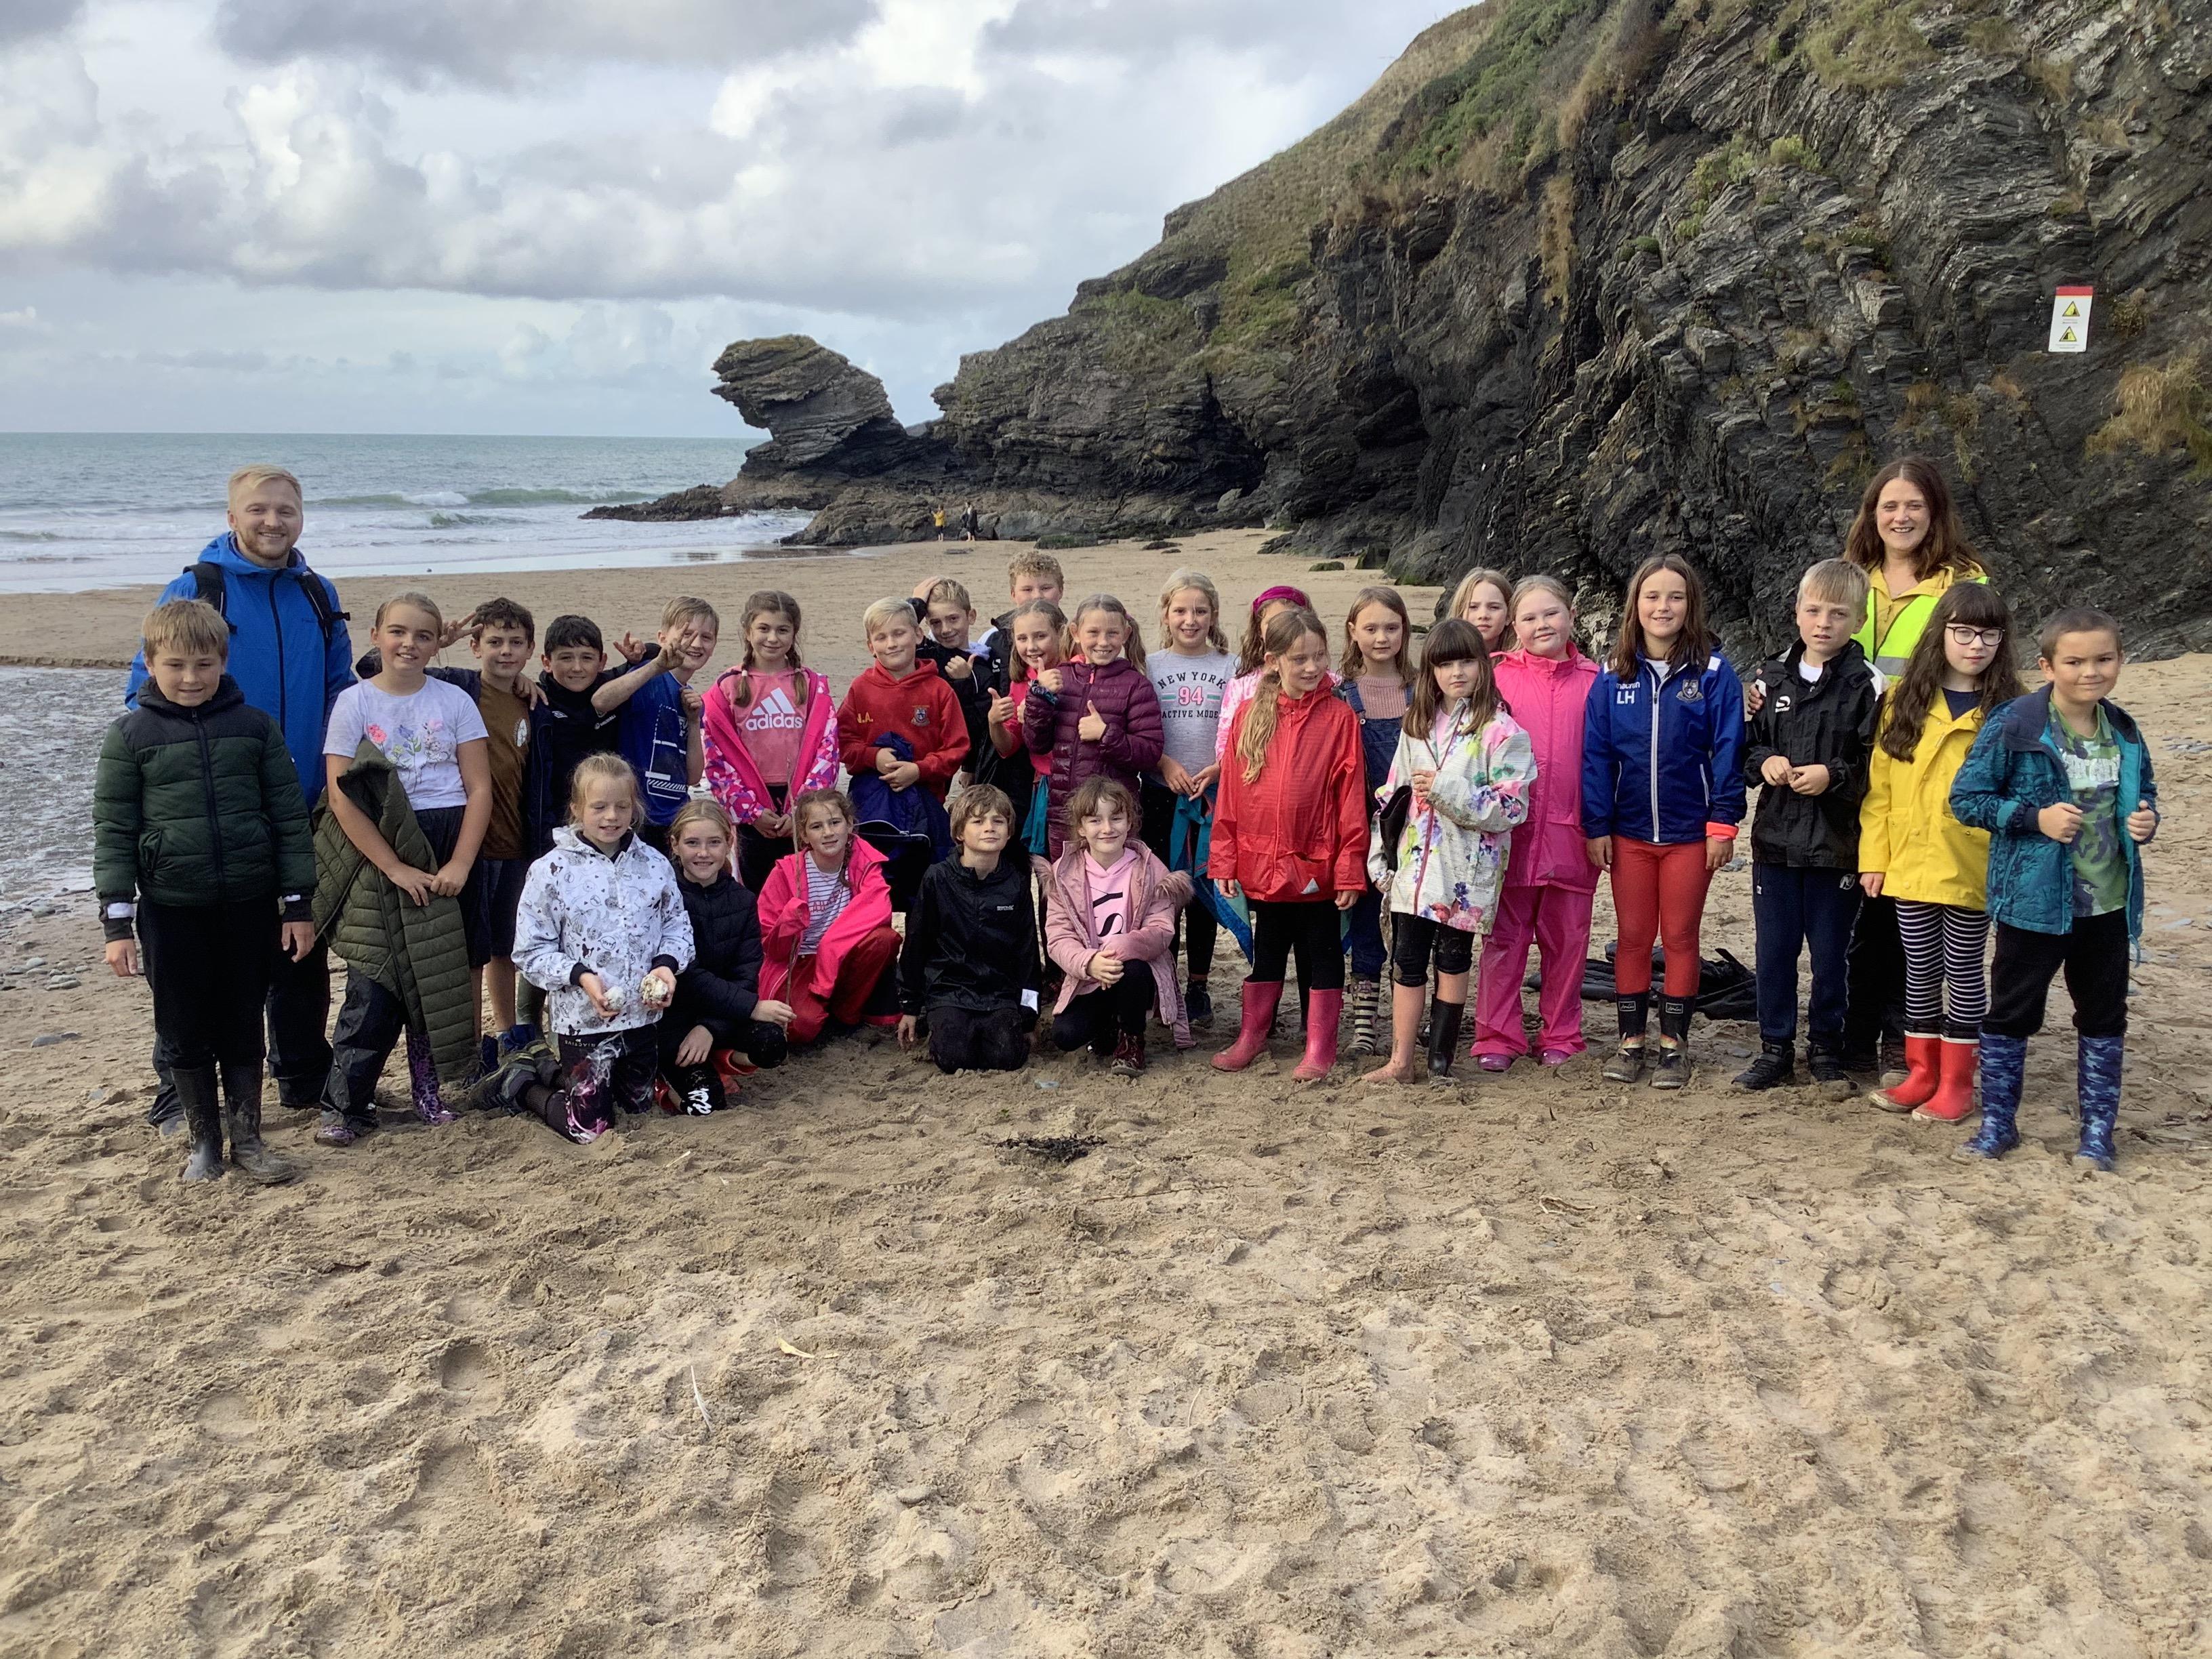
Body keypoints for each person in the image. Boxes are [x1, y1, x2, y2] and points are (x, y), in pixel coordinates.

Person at [124, 464, 352, 1125]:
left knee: (300, 946)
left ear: (301, 518)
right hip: (214, 812)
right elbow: (143, 693)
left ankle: (304, 1074)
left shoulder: (316, 593)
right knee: (199, 962)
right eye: (258, 510)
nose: (272, 521)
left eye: (285, 510)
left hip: (301, 803)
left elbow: (340, 693)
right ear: (232, 518)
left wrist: (336, 781)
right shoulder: (199, 588)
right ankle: (177, 1090)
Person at [97, 599, 314, 1184]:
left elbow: (289, 819)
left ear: (223, 661)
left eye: (204, 664)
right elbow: (113, 829)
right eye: (175, 665)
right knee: (182, 1026)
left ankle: (249, 1137)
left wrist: (297, 903)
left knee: (243, 1022)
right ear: (149, 665)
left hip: (249, 903)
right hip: (171, 909)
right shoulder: (130, 735)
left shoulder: (255, 727)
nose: (190, 678)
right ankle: (204, 1142)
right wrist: (117, 924)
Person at [1951, 607, 2158, 1170]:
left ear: (2120, 660)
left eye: (2103, 659)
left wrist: (2146, 820)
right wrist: (2033, 818)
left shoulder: (2124, 729)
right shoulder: (2016, 724)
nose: (2090, 672)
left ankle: (2097, 1133)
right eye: (2074, 662)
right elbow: (1967, 799)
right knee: (2012, 1013)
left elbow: (2145, 794)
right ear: (2047, 666)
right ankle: (1998, 1124)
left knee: (2104, 1017)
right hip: (2033, 903)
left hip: (2108, 905)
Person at [315, 592, 491, 1141]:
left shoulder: (455, 701)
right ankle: (345, 1105)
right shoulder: (354, 703)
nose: (409, 644)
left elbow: (480, 787)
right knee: (376, 979)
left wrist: (461, 862)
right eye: (397, 632)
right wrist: (392, 866)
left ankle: (429, 1091)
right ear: (376, 637)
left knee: (438, 976)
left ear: (438, 644)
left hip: (448, 838)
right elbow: (341, 796)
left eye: (423, 635)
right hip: (384, 840)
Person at [1839, 456, 1990, 1080]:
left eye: (1914, 506)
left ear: (1935, 513)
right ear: (1873, 514)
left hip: (1917, 754)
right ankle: (1855, 1034)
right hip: (1846, 759)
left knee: (1909, 912)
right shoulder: (1851, 578)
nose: (1901, 517)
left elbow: (1982, 661)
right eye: (1890, 506)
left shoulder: (1963, 583)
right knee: (1860, 911)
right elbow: (1815, 644)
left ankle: (1905, 1039)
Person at [1856, 583, 2022, 1120]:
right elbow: (1879, 791)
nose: (1976, 645)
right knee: (1920, 970)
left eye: (1989, 635)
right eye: (1964, 632)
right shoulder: (1901, 701)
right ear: (1941, 634)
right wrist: (1874, 859)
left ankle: (1956, 1082)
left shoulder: (2013, 711)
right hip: (1910, 859)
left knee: (1965, 971)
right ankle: (1921, 1072)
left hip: (1972, 862)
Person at [1581, 554, 1746, 1088]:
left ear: (1690, 604)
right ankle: (1631, 1041)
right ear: (1636, 605)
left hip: (1690, 835)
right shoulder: (1612, 675)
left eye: (1675, 596)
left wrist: (1723, 823)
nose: (1663, 607)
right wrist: (1596, 825)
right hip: (1628, 833)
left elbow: (1729, 751)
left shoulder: (1715, 674)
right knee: (1632, 937)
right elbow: (1596, 755)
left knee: (1679, 936)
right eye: (1652, 596)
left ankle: (1675, 1046)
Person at [1364, 619, 1534, 1084]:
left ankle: (1440, 1062)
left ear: (1483, 664)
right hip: (1413, 869)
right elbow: (1392, 796)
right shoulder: (1416, 725)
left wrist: (1446, 789)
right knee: (1406, 960)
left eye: (1466, 661)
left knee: (1454, 960)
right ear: (1430, 671)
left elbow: (1511, 808)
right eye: (1444, 664)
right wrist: (1381, 856)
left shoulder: (1503, 731)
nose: (1456, 672)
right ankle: (1401, 1061)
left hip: (1466, 873)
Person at [1734, 560, 1881, 1092]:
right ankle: (1775, 1048)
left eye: (1839, 614)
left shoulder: (1869, 685)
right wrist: (1766, 761)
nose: (1824, 623)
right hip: (1774, 843)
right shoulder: (1770, 677)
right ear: (1796, 611)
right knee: (1774, 953)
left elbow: (1878, 766)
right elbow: (1746, 749)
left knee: (1830, 957)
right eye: (1814, 610)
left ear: (1859, 620)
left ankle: (1826, 1049)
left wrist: (1832, 776)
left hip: (1836, 846)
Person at [1209, 605, 1368, 1082]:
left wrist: (1350, 868)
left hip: (1318, 861)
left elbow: (1351, 799)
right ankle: (1252, 1035)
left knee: (1323, 951)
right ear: (1273, 660)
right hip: (1261, 861)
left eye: (1319, 656)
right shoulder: (1248, 715)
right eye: (1299, 658)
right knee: (1269, 947)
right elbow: (1230, 795)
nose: (1312, 667)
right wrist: (1224, 859)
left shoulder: (1340, 717)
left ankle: (1320, 1046)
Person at [506, 754, 694, 1136]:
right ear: (577, 809)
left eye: (622, 806)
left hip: (643, 1018)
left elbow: (678, 926)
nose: (611, 816)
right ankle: (521, 1086)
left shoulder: (655, 865)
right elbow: (530, 951)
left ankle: (558, 1077)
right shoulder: (550, 871)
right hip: (584, 1023)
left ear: (635, 807)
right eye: (599, 807)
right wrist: (580, 976)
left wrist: (666, 965)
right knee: (590, 1128)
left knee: (637, 1110)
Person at [1474, 576, 1601, 1071]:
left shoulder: (1597, 681)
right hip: (1511, 835)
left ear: (1571, 615)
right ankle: (1497, 1035)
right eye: (1529, 617)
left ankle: (1561, 1033)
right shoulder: (1495, 677)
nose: (1541, 624)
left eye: (1551, 613)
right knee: (1505, 939)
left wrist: (1602, 826)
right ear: (1514, 625)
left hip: (1574, 831)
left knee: (1567, 938)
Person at [1040, 777, 1195, 1074]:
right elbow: (1058, 937)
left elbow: (1162, 930)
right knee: (1065, 1036)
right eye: (1095, 820)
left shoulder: (1150, 869)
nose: (1107, 828)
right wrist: (1089, 962)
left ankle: (1132, 1040)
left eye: (1116, 818)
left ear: (1130, 822)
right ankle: (1110, 1024)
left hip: (1136, 972)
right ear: (1081, 828)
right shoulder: (1063, 874)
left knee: (1133, 971)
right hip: (1091, 975)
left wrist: (1121, 948)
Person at [1142, 569, 1235, 1027]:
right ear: (1166, 614)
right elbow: (1139, 728)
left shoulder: (1231, 666)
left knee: (1202, 893)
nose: (1190, 619)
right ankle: (1163, 981)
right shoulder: (1151, 666)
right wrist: (1164, 764)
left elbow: (1241, 728)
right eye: (1180, 610)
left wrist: (1218, 768)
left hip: (1213, 794)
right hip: (1162, 794)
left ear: (1213, 615)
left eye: (1200, 611)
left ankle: (1198, 984)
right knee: (1163, 891)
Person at [701, 590, 839, 895]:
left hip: (800, 805)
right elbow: (717, 756)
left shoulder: (812, 685)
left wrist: (802, 809)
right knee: (758, 893)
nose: (773, 638)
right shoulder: (728, 686)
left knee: (802, 890)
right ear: (748, 630)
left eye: (782, 630)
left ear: (794, 633)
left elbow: (827, 750)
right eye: (764, 628)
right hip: (753, 808)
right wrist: (751, 812)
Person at [659, 798, 792, 1114]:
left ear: (729, 842)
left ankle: (718, 1060)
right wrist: (751, 1007)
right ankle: (661, 1080)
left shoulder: (743, 900)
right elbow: (685, 974)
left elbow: (746, 973)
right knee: (705, 1106)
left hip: (723, 1016)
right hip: (673, 1019)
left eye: (714, 843)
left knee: (773, 1044)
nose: (703, 853)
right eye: (692, 843)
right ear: (675, 845)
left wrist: (710, 1028)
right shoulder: (664, 897)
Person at [899, 786, 1042, 1073]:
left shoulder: (1016, 883)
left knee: (1007, 1057)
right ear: (960, 833)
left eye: (998, 821)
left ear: (1009, 832)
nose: (990, 828)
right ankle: (937, 1024)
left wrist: (1029, 1018)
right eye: (978, 821)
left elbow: (1028, 954)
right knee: (953, 1057)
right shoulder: (937, 879)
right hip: (949, 989)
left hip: (1000, 993)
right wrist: (910, 1008)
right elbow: (916, 945)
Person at [1021, 593, 1164, 859]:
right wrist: (1039, 697)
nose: (1103, 642)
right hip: (1065, 814)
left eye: (1112, 633)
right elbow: (1037, 744)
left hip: (1114, 819)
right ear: (1075, 633)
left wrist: (1106, 735)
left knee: (1115, 882)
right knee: (1064, 881)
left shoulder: (1136, 685)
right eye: (1093, 633)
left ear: (1126, 634)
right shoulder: (1061, 678)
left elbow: (1150, 752)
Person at [1336, 586, 1416, 1057]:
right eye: (1371, 628)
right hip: (1361, 828)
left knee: (1414, 926)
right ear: (1353, 632)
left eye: (1391, 627)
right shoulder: (1341, 694)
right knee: (1366, 923)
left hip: (1416, 828)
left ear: (1405, 630)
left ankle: (1414, 1015)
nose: (1382, 637)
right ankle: (1364, 1022)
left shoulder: (1423, 690)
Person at [756, 788, 903, 1045]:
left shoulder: (865, 861)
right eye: (816, 826)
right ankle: (819, 1010)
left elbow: (879, 910)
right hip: (801, 960)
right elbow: (770, 947)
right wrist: (787, 923)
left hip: (842, 954)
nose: (828, 832)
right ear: (804, 835)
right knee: (800, 1028)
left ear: (850, 825)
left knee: (884, 939)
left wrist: (831, 946)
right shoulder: (785, 873)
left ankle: (845, 1013)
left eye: (835, 822)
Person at [838, 597, 970, 857]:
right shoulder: (860, 689)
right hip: (871, 806)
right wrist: (872, 756)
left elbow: (957, 748)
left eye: (899, 633)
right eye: (882, 637)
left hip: (925, 803)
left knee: (924, 870)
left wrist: (919, 770)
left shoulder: (939, 690)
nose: (892, 644)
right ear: (871, 646)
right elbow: (842, 741)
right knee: (873, 870)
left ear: (918, 635)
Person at [592, 597, 716, 854]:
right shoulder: (648, 678)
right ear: (662, 638)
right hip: (636, 817)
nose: (696, 644)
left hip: (675, 817)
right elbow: (601, 701)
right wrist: (655, 666)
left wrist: (694, 721)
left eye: (706, 637)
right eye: (687, 634)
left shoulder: (693, 700)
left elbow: (693, 777)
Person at [982, 598, 1066, 857]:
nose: (1031, 647)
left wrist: (1039, 703)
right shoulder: (1021, 680)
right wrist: (994, 721)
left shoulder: (1076, 671)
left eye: (1040, 636)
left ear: (1061, 633)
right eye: (1022, 639)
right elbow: (1007, 746)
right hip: (1046, 784)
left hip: (1080, 780)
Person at [1214, 585, 1336, 762]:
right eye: (1273, 622)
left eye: (1290, 620)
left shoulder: (1330, 682)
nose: (1283, 628)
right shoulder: (1242, 685)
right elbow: (1225, 742)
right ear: (1259, 630)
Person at [913, 577, 996, 778]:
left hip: (956, 760)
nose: (946, 630)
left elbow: (980, 726)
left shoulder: (983, 665)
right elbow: (894, 635)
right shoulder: (925, 653)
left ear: (971, 616)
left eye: (953, 619)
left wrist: (963, 683)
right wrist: (915, 606)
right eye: (936, 622)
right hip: (919, 753)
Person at [980, 550, 1065, 683]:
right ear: (1013, 594)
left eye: (1046, 588)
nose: (1037, 596)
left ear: (1061, 591)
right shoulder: (992, 639)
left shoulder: (1077, 638)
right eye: (1027, 590)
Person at [1443, 567, 1515, 654]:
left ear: (1509, 616)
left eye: (1494, 607)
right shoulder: (1443, 657)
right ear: (1460, 613)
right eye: (1473, 607)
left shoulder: (1523, 660)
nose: (1483, 615)